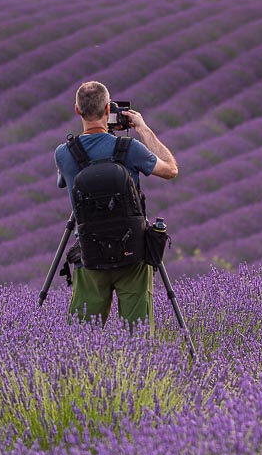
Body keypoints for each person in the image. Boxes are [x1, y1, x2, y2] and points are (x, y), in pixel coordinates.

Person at [54, 81, 178, 332]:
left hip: (89, 257)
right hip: (132, 255)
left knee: (80, 343)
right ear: (109, 108)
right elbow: (171, 169)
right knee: (138, 341)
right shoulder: (129, 148)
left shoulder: (64, 154)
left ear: (77, 110)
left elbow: (62, 182)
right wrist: (142, 129)